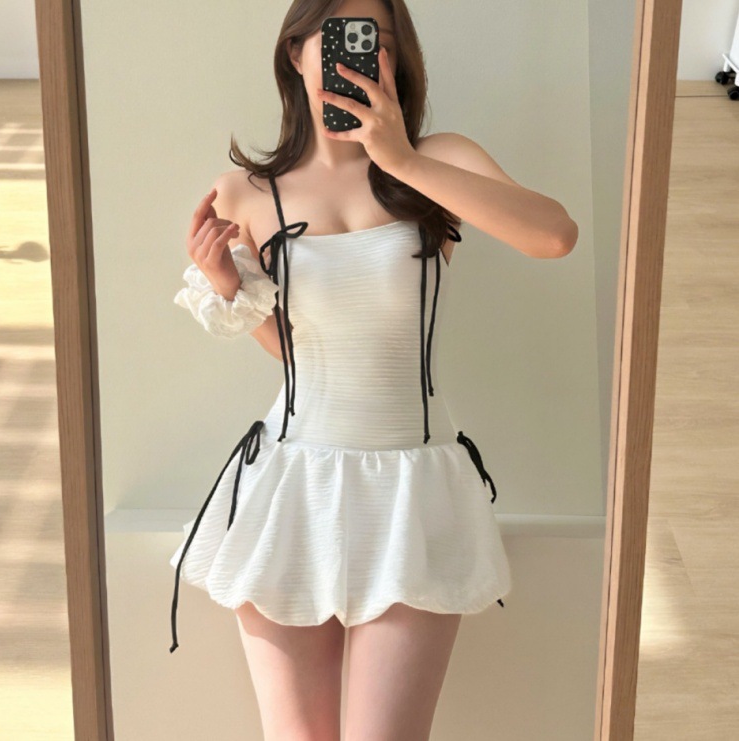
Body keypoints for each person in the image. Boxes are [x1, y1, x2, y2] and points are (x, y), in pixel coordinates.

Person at [169, 1, 578, 738]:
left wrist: (404, 160)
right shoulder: (244, 193)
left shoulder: (440, 160)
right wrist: (232, 291)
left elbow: (554, 235)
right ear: (296, 52)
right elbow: (297, 353)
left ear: (397, 57)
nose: (353, 55)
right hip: (291, 483)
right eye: (333, 38)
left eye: (375, 41)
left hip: (413, 489)